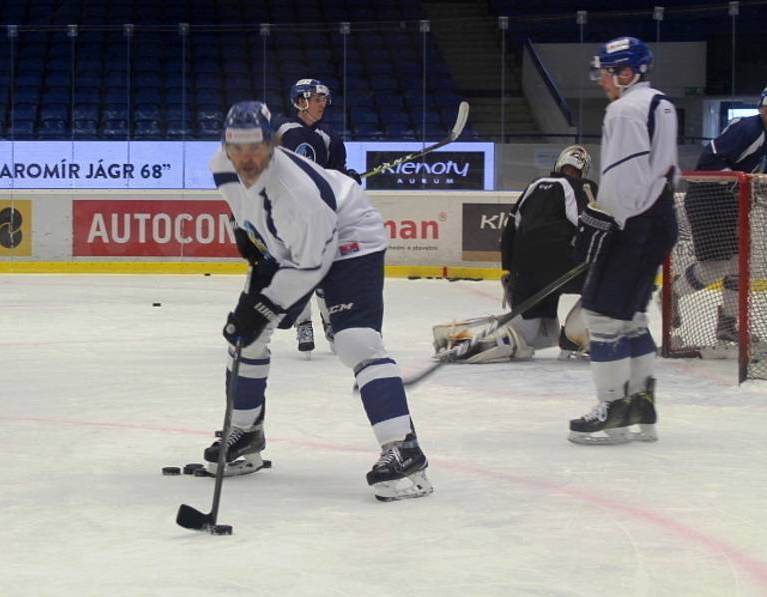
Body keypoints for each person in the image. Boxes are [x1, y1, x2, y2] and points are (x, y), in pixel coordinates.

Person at [204, 100, 433, 501]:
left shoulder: (298, 193)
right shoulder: (220, 165)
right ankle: (246, 433)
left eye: (255, 147)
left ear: (272, 144)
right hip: (300, 242)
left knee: (355, 340)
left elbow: (310, 267)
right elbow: (246, 208)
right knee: (246, 339)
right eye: (236, 147)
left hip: (349, 234)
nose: (246, 158)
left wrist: (263, 305)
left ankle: (404, 448)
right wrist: (250, 239)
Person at [569, 36, 678, 444]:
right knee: (631, 318)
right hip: (659, 216)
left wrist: (603, 221)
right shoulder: (660, 103)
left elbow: (622, 178)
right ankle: (641, 405)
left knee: (601, 316)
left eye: (606, 73)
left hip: (633, 222)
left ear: (627, 73)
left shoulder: (624, 110)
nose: (602, 82)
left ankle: (613, 408)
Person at [431, 145, 596, 362]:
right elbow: (586, 224)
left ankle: (467, 337)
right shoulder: (582, 186)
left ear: (558, 165)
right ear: (584, 171)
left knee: (536, 333)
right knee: (607, 284)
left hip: (525, 270)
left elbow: (510, 229)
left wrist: (509, 270)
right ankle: (575, 337)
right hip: (564, 265)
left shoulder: (534, 185)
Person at [667, 85, 767, 342]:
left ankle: (726, 324)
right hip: (708, 198)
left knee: (738, 263)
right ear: (763, 107)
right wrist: (737, 183)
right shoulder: (750, 129)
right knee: (715, 266)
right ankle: (673, 293)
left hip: (727, 200)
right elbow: (710, 158)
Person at [273, 78, 362, 356]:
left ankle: (331, 322)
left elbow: (335, 174)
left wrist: (348, 178)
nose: (322, 104)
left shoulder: (330, 138)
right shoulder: (282, 131)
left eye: (324, 99)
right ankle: (304, 323)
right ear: (301, 101)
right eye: (316, 98)